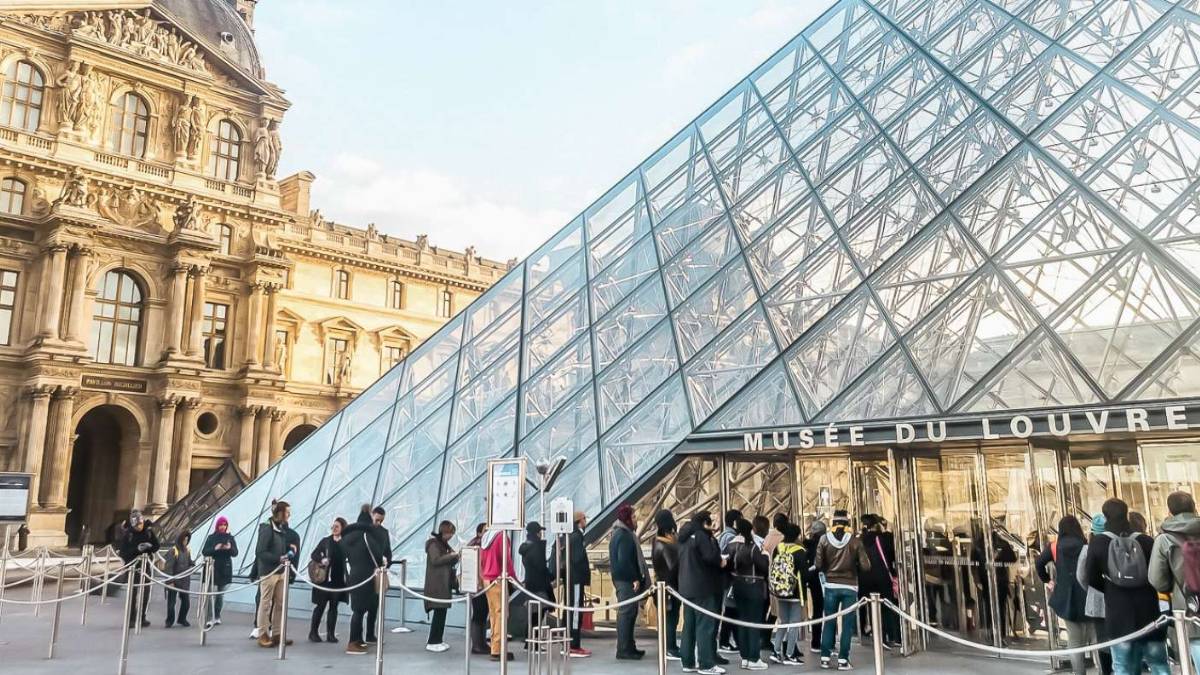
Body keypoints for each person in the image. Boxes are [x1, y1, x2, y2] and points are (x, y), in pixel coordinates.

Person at [1083, 499, 1168, 675]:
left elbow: (1089, 577)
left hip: (1118, 613)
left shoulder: (1098, 543)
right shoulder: (1145, 541)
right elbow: (1156, 574)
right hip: (1149, 612)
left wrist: (1110, 587)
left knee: (1122, 667)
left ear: (1105, 515)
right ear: (1126, 513)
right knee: (1159, 664)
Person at [1150, 491, 1200, 671]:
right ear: (1194, 508)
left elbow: (1157, 580)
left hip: (1188, 607)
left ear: (1170, 512)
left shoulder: (1164, 539)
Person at [814, 509, 870, 671]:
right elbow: (866, 566)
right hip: (850, 586)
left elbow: (818, 564)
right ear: (847, 524)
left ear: (832, 524)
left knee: (829, 622)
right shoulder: (855, 541)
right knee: (847, 625)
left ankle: (824, 657)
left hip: (830, 586)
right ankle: (843, 660)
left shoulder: (824, 539)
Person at [1035, 516, 1089, 675]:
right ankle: (1101, 669)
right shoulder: (1085, 545)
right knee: (1095, 639)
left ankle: (1079, 672)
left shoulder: (1054, 547)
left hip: (1066, 597)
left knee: (1074, 640)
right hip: (1086, 595)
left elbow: (1038, 563)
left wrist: (1048, 580)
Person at [679, 510, 725, 675]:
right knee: (705, 626)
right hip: (703, 587)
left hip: (686, 587)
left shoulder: (684, 537)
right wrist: (721, 560)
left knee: (689, 626)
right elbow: (710, 556)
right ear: (704, 523)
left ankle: (688, 661)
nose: (712, 527)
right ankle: (706, 663)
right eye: (710, 523)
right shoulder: (701, 536)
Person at [342, 505, 389, 655]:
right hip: (365, 576)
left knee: (358, 610)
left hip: (353, 575)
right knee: (360, 610)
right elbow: (377, 555)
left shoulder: (348, 538)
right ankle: (353, 642)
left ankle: (358, 639)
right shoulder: (366, 536)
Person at [727, 518, 769, 671]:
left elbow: (728, 566)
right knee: (754, 623)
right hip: (753, 587)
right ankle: (754, 657)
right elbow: (763, 566)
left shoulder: (733, 546)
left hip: (738, 587)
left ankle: (745, 657)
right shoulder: (752, 548)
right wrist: (765, 555)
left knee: (742, 622)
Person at [551, 511, 592, 658]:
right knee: (575, 610)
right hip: (575, 579)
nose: (586, 521)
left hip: (570, 578)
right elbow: (578, 559)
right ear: (580, 521)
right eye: (585, 519)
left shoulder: (568, 536)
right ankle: (573, 644)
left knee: (569, 609)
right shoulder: (576, 537)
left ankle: (567, 641)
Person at [609, 504, 648, 660]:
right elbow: (624, 560)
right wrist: (635, 578)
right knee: (627, 613)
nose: (635, 519)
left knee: (630, 612)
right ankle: (624, 649)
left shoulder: (619, 533)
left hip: (621, 579)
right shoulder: (624, 535)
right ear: (626, 518)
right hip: (625, 581)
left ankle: (629, 646)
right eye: (632, 516)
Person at [1077, 514, 1113, 675]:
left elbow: (1081, 576)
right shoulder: (1115, 544)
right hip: (1119, 600)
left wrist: (1091, 590)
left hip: (1097, 601)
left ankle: (1105, 671)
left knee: (1102, 639)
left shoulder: (1087, 549)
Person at [254, 500, 293, 648]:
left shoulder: (282, 528)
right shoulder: (266, 528)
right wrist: (278, 558)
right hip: (269, 572)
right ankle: (263, 634)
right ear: (280, 513)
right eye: (287, 512)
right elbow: (260, 552)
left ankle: (277, 634)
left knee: (280, 604)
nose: (289, 515)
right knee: (266, 604)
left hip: (281, 571)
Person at [859, 514, 900, 648]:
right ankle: (893, 636)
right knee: (887, 606)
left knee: (872, 607)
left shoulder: (861, 539)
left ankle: (878, 635)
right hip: (883, 576)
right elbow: (893, 556)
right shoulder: (884, 538)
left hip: (865, 579)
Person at [771, 523, 807, 665]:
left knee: (783, 621)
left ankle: (776, 650)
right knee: (794, 623)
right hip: (796, 591)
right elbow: (804, 574)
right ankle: (790, 654)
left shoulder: (778, 548)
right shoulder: (799, 551)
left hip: (780, 590)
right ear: (797, 535)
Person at [480, 517, 515, 662]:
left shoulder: (486, 537)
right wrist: (514, 577)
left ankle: (495, 646)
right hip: (498, 578)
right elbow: (506, 560)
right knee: (501, 614)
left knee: (494, 614)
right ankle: (498, 649)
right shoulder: (501, 536)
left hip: (487, 579)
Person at [118, 508, 160, 628]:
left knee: (145, 593)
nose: (139, 527)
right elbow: (123, 553)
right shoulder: (128, 535)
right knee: (133, 594)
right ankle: (131, 618)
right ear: (133, 524)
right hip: (133, 568)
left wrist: (150, 546)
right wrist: (137, 549)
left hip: (146, 567)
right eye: (137, 525)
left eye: (141, 524)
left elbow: (157, 546)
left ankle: (142, 617)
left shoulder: (149, 532)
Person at [423, 520, 460, 654]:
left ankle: (438, 639)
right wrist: (450, 555)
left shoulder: (443, 544)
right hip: (437, 584)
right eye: (450, 533)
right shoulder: (434, 544)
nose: (451, 536)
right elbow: (436, 560)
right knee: (439, 612)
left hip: (443, 584)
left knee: (442, 613)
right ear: (443, 532)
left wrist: (455, 556)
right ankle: (433, 641)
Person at [309, 517, 348, 643]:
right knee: (320, 605)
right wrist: (322, 560)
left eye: (337, 526)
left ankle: (330, 634)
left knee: (334, 606)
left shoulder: (345, 543)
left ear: (342, 528)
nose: (334, 528)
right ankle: (313, 632)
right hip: (324, 580)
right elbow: (314, 554)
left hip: (338, 580)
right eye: (333, 526)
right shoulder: (326, 541)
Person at [652, 509, 681, 661]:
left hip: (667, 585)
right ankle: (669, 647)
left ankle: (671, 645)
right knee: (670, 618)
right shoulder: (663, 544)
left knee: (672, 617)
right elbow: (672, 566)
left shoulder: (661, 540)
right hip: (668, 587)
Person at [521, 521, 553, 648]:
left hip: (530, 583)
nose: (541, 533)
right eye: (540, 531)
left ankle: (529, 642)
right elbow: (541, 567)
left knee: (533, 614)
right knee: (538, 614)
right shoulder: (536, 547)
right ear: (536, 533)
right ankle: (533, 644)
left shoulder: (525, 547)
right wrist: (551, 576)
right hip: (539, 585)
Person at [201, 516, 238, 629]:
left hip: (225, 569)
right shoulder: (211, 538)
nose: (223, 527)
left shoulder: (230, 538)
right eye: (221, 525)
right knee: (211, 594)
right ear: (217, 526)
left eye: (224, 525)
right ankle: (208, 618)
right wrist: (215, 549)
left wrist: (229, 548)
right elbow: (205, 551)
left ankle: (217, 615)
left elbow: (235, 552)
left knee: (220, 595)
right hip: (213, 568)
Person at [718, 509, 743, 653]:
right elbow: (726, 557)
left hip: (727, 579)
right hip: (730, 579)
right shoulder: (730, 537)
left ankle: (729, 640)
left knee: (731, 610)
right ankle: (725, 641)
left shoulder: (725, 535)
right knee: (730, 610)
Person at [804, 520, 828, 656]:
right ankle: (827, 641)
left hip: (813, 580)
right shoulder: (825, 544)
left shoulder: (806, 545)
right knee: (829, 610)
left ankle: (815, 641)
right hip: (825, 580)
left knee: (817, 611)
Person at [162, 530, 194, 628]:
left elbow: (189, 562)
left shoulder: (187, 550)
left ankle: (182, 619)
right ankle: (169, 621)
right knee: (171, 603)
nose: (186, 542)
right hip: (174, 580)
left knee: (186, 602)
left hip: (184, 580)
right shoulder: (173, 551)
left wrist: (193, 564)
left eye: (187, 540)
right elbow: (168, 567)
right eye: (184, 540)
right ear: (180, 540)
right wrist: (170, 581)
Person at [467, 523, 490, 655]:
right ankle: (477, 645)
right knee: (479, 614)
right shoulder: (479, 546)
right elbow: (480, 567)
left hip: (477, 584)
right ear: (479, 533)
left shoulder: (475, 544)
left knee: (480, 614)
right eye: (485, 531)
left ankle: (480, 643)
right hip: (479, 585)